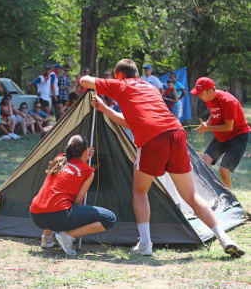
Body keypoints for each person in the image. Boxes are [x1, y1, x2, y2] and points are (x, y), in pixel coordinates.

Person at [79, 59, 244, 257]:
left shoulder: (121, 85)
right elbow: (132, 122)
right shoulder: (150, 88)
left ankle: (145, 244)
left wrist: (103, 88)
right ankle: (223, 237)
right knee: (191, 196)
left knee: (140, 191)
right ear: (138, 74)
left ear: (119, 76)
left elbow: (84, 81)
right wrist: (106, 109)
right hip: (176, 133)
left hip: (153, 140)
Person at [30, 135, 116, 256]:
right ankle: (67, 236)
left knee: (52, 197)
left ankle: (47, 237)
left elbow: (72, 159)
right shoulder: (87, 171)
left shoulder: (59, 159)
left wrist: (84, 155)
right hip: (59, 215)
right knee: (110, 218)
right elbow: (78, 201)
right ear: (85, 152)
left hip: (36, 215)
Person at [191, 77, 250, 189]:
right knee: (205, 162)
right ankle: (213, 192)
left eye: (200, 93)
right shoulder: (208, 99)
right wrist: (206, 124)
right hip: (221, 137)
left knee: (224, 170)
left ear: (210, 91)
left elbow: (229, 127)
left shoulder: (228, 101)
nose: (198, 96)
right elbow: (214, 113)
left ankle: (229, 199)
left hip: (237, 136)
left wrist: (207, 129)